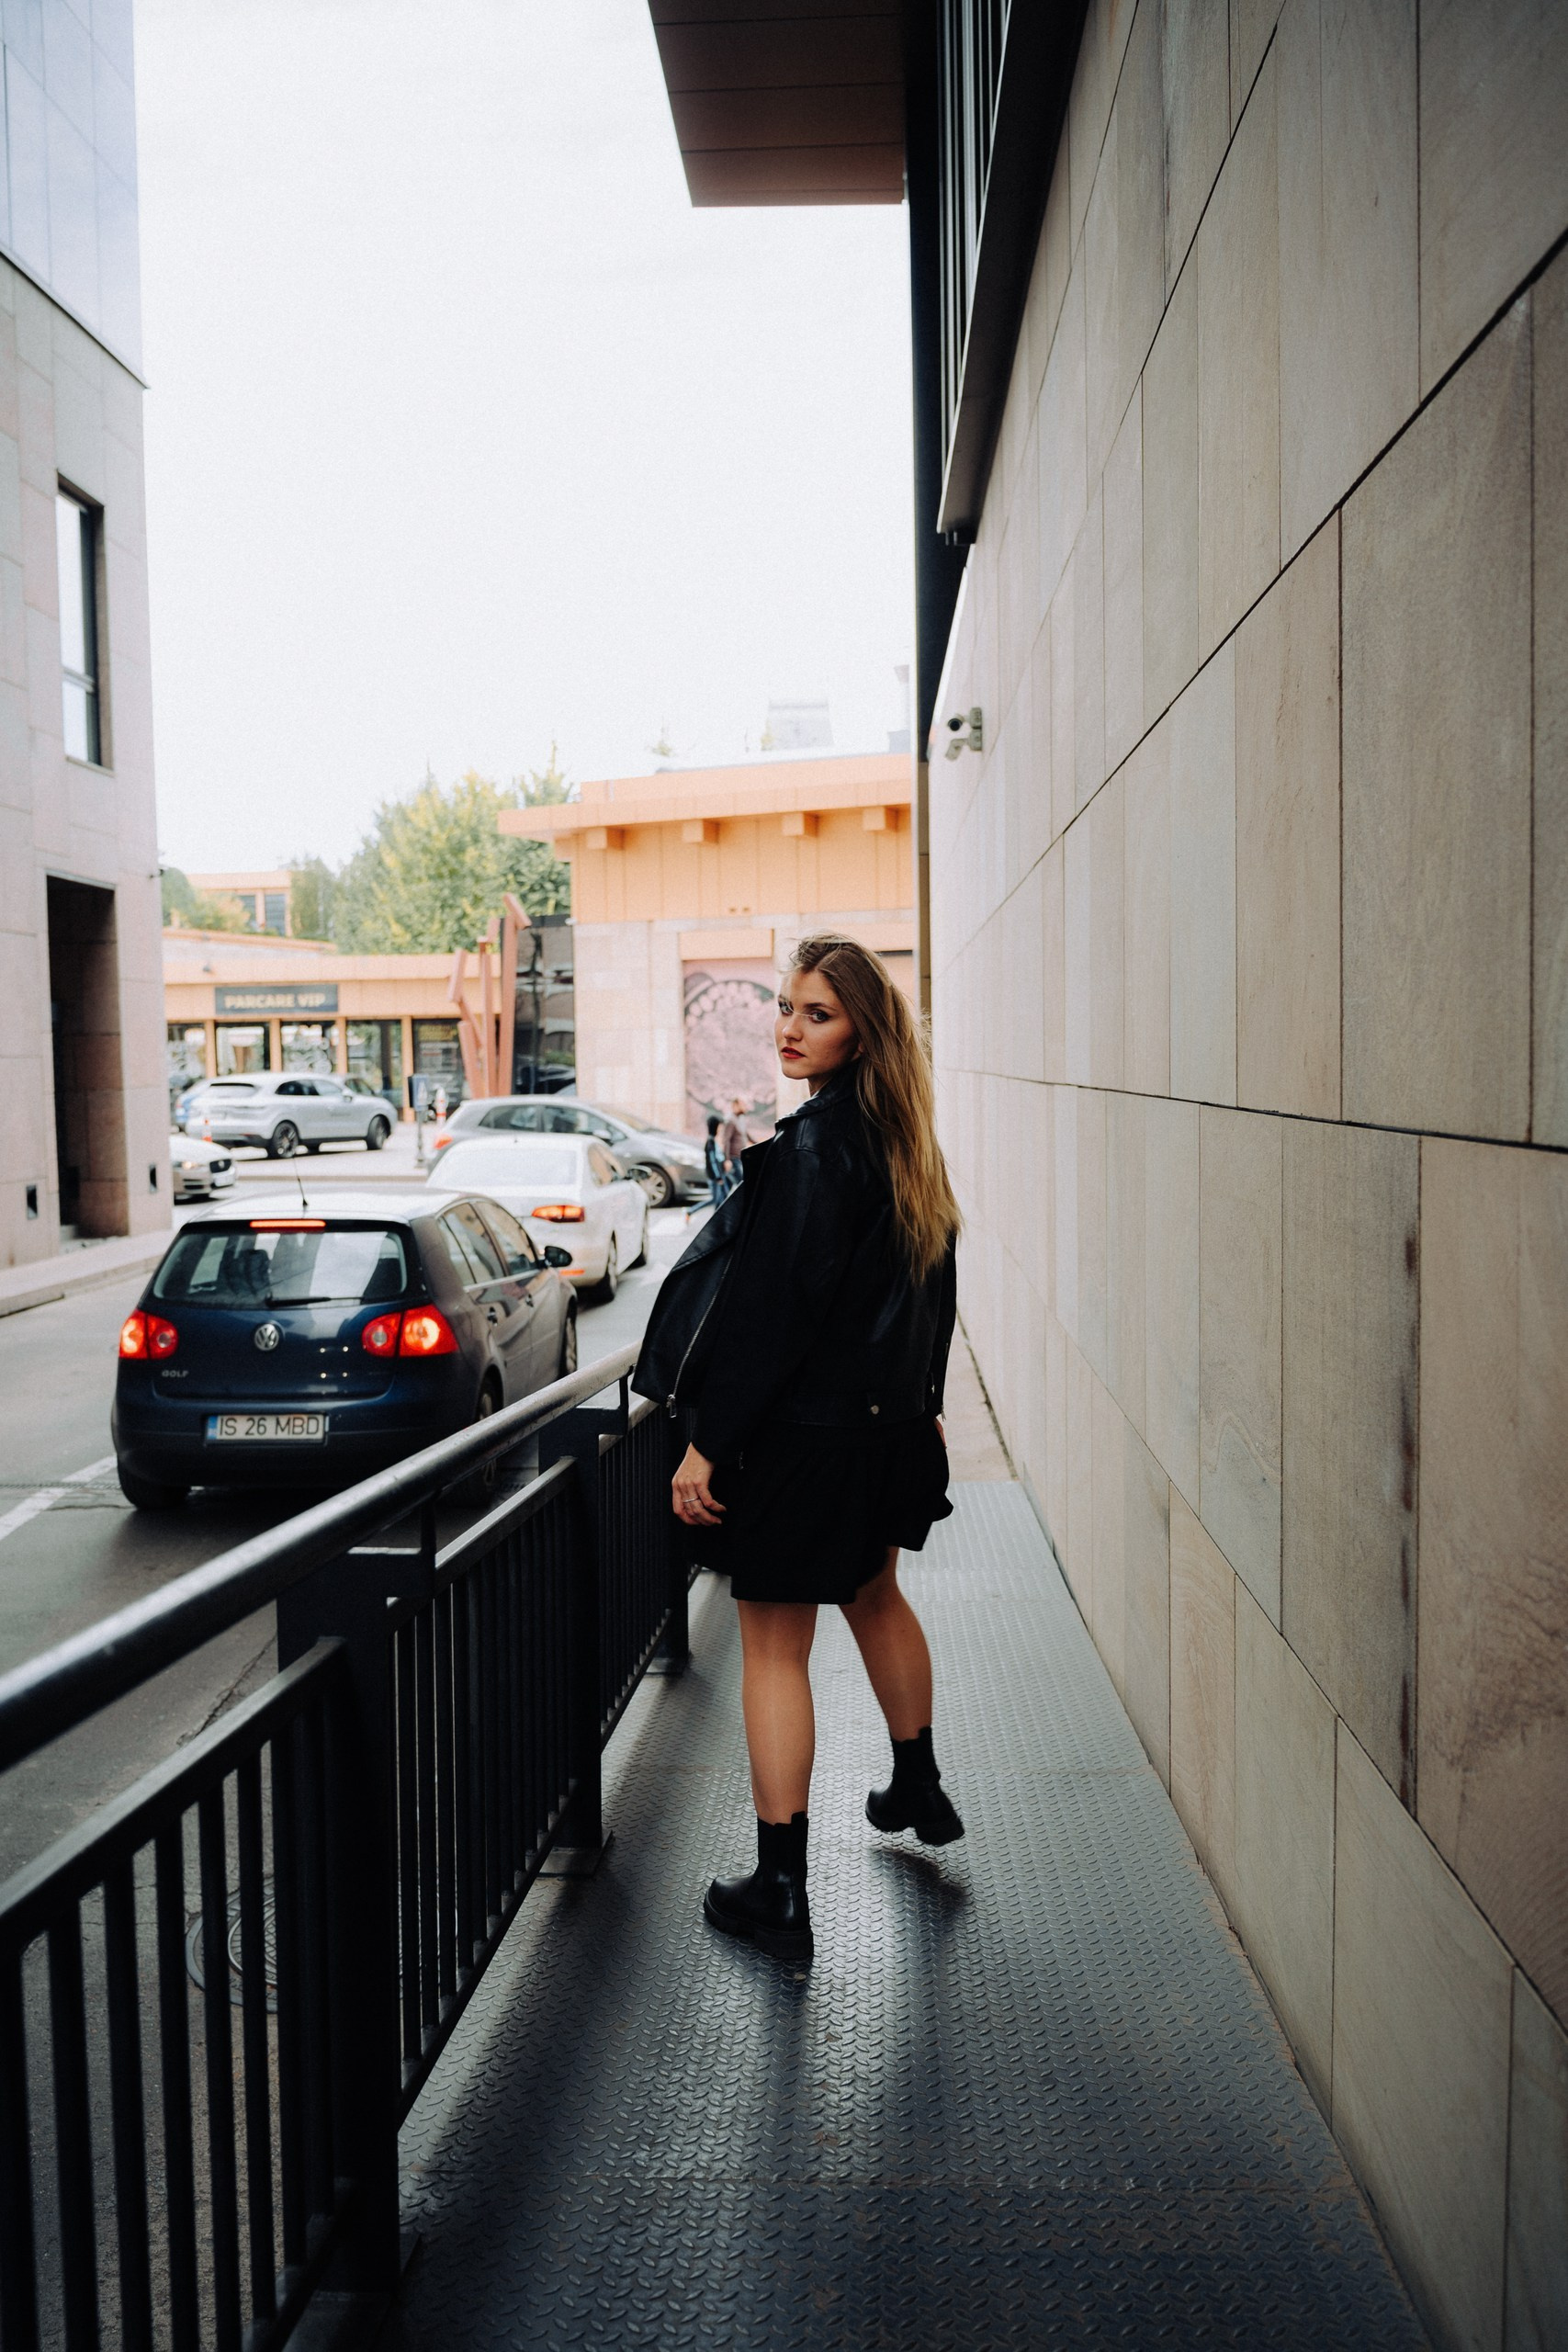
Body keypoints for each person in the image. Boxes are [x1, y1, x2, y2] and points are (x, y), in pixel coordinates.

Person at [633, 935, 963, 1964]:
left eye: (816, 1013)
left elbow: (771, 1318)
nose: (788, 1027)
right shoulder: (902, 1140)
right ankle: (917, 1784)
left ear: (861, 1030)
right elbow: (933, 1294)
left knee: (775, 1651)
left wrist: (708, 1446)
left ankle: (779, 1889)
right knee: (876, 1595)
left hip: (807, 1442)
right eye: (785, 1006)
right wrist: (922, 1406)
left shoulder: (816, 1151)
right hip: (885, 1430)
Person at [717, 1098, 748, 1196]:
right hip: (733, 1159)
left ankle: (721, 1204)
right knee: (742, 1185)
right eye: (742, 1105)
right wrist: (727, 1159)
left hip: (739, 1157)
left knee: (727, 1189)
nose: (745, 1107)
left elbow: (746, 1135)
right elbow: (726, 1140)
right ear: (735, 1106)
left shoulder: (740, 1119)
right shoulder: (730, 1120)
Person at [703, 1112, 728, 1209]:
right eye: (719, 1127)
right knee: (715, 1199)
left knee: (723, 1197)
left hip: (720, 1174)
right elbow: (713, 1161)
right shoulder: (710, 1142)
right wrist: (718, 1177)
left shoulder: (713, 1141)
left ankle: (720, 1216)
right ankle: (690, 1211)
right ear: (715, 1127)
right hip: (715, 1176)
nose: (720, 1130)